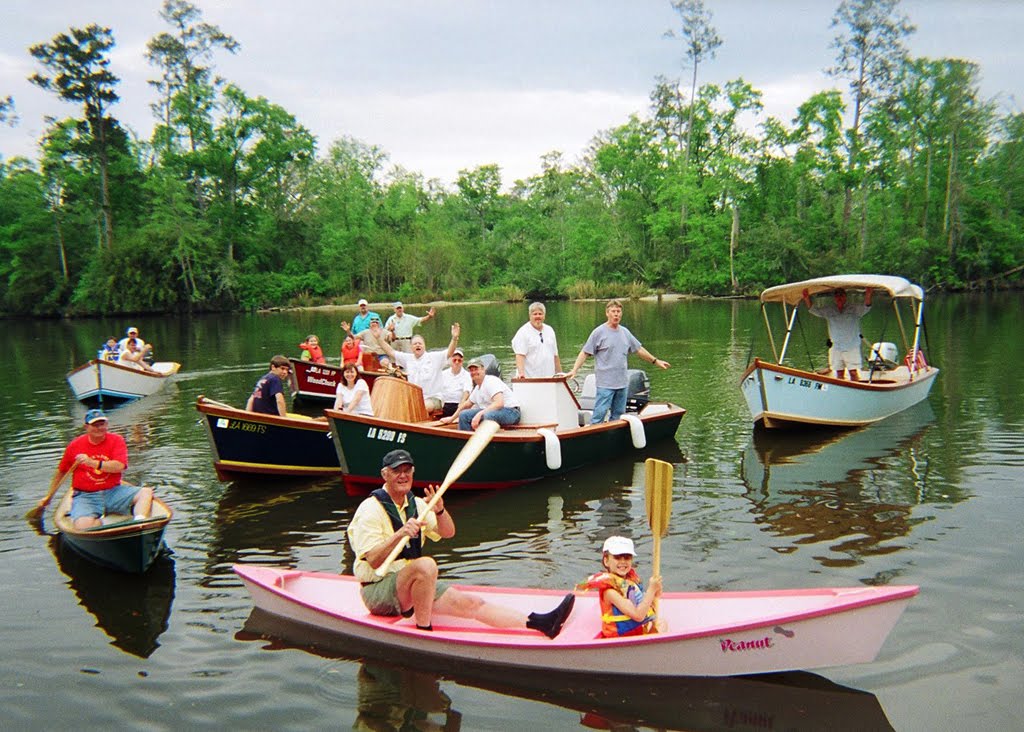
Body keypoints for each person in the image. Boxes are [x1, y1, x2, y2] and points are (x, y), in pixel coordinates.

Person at [346, 448, 575, 636]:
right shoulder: (370, 510)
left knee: (472, 604)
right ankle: (424, 632)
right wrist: (400, 534)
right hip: (378, 592)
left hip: (412, 586)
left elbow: (449, 533)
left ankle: (541, 623)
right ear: (385, 475)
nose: (403, 476)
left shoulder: (417, 504)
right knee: (426, 565)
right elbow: (374, 561)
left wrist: (440, 510)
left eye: (408, 470)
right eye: (397, 471)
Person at [36, 409, 153, 528]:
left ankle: (139, 523)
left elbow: (119, 466)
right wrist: (49, 496)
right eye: (95, 425)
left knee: (146, 492)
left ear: (107, 425)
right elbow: (61, 472)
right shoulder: (75, 445)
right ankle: (104, 523)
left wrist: (92, 463)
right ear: (86, 427)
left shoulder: (116, 440)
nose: (99, 428)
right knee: (83, 526)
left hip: (113, 491)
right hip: (86, 496)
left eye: (102, 424)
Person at [566, 299, 670, 423]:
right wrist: (575, 370)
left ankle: (612, 436)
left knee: (618, 416)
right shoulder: (598, 332)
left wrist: (656, 361)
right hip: (605, 384)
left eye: (619, 311)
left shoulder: (625, 332)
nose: (616, 314)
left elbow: (639, 349)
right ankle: (594, 437)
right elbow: (584, 352)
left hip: (622, 384)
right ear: (607, 313)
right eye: (613, 311)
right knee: (599, 414)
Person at [578, 536, 665, 637]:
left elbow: (652, 601)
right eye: (617, 557)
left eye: (627, 557)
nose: (623, 561)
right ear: (606, 561)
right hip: (620, 638)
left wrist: (656, 591)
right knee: (660, 626)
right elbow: (638, 616)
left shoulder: (630, 581)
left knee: (661, 624)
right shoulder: (610, 592)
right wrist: (651, 590)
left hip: (636, 631)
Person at [379, 324, 460, 413]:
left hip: (433, 398)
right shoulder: (407, 358)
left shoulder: (434, 357)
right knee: (394, 406)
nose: (418, 345)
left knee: (421, 407)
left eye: (420, 343)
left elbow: (449, 352)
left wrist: (454, 338)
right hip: (413, 398)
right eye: (415, 344)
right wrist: (378, 338)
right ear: (411, 347)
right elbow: (391, 352)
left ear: (424, 345)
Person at [802, 287, 874, 380]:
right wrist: (806, 298)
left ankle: (856, 391)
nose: (839, 297)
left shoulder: (854, 309)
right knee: (839, 373)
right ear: (834, 298)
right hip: (836, 347)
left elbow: (866, 307)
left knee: (853, 372)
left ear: (845, 296)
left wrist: (868, 294)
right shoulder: (829, 310)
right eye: (837, 295)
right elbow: (813, 310)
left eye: (841, 295)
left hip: (851, 346)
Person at [442, 357, 522, 431]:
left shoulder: (491, 381)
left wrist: (479, 414)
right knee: (464, 415)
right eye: (471, 370)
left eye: (476, 369)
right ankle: (466, 440)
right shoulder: (477, 388)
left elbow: (499, 403)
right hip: (493, 411)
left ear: (483, 369)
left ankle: (488, 443)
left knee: (488, 416)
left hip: (511, 412)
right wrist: (451, 418)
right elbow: (466, 405)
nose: (473, 372)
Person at [511, 301, 562, 378]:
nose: (538, 317)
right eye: (535, 314)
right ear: (530, 316)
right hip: (530, 380)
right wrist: (521, 374)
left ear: (544, 316)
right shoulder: (523, 332)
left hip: (549, 379)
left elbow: (555, 355)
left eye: (540, 314)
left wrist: (560, 374)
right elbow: (520, 355)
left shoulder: (550, 330)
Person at [438, 348, 472, 418]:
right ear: (450, 361)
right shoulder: (443, 374)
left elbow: (467, 391)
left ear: (462, 361)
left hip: (458, 404)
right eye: (454, 360)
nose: (457, 362)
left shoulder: (467, 375)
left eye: (459, 360)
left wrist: (462, 403)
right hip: (445, 404)